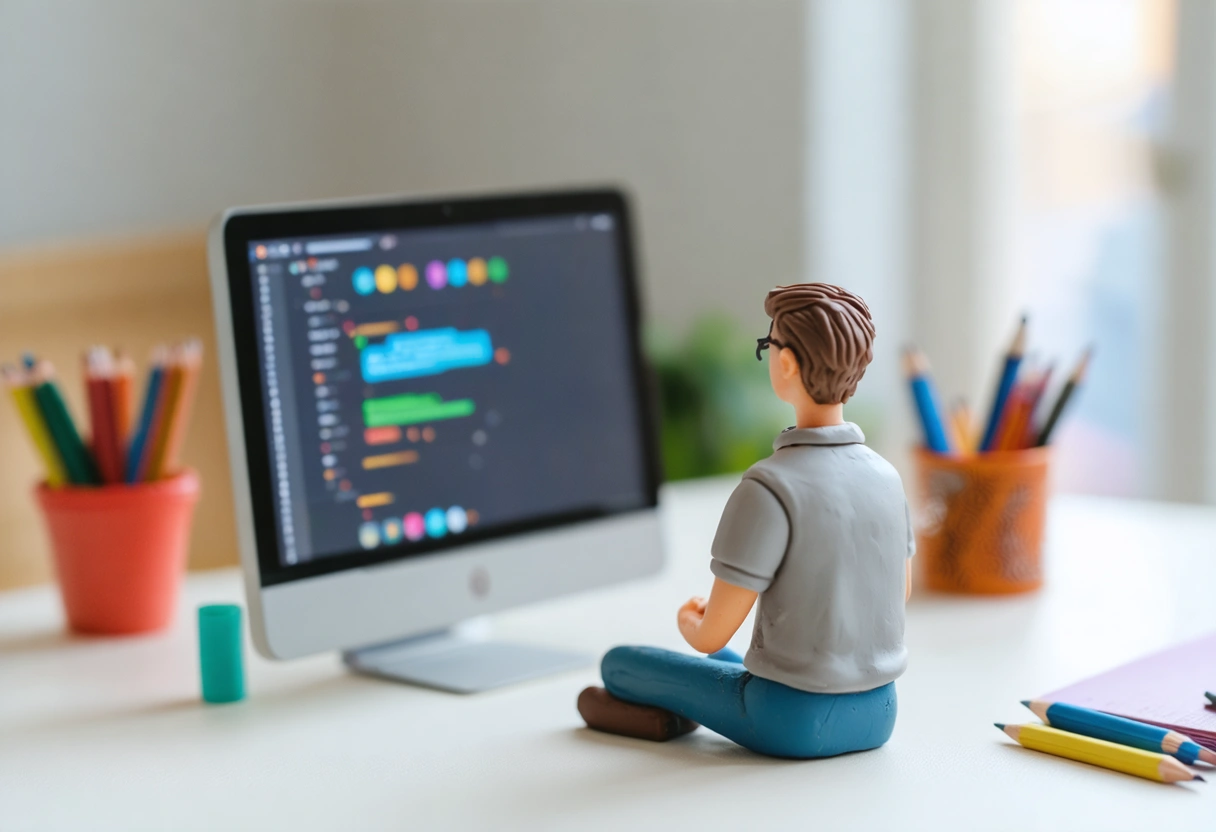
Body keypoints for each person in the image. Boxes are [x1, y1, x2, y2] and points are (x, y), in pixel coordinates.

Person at [577, 283, 915, 759]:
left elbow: (713, 635)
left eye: (768, 345)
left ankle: (652, 705)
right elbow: (896, 595)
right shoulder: (888, 478)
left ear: (787, 363)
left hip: (790, 719)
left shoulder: (770, 486)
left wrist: (691, 623)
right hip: (879, 712)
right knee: (726, 668)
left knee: (621, 665)